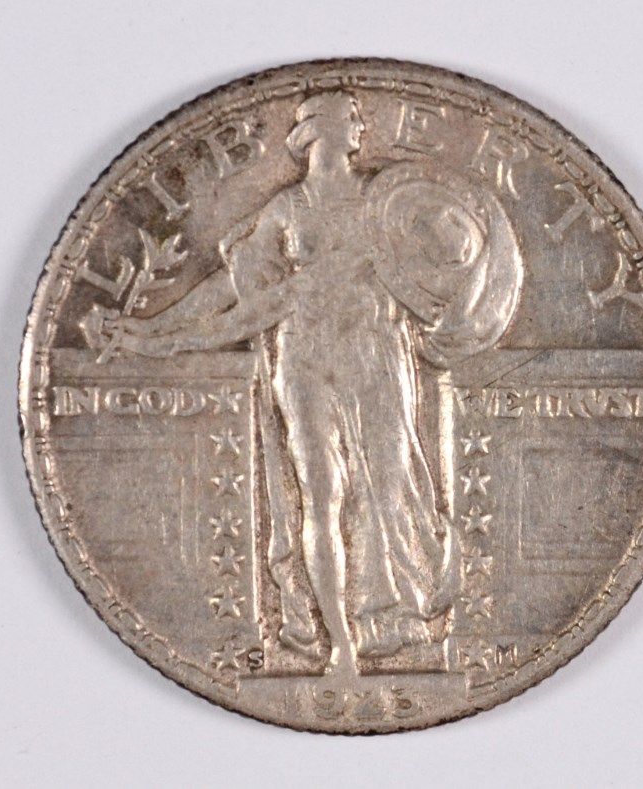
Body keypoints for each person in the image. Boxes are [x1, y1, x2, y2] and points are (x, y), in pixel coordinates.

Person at [101, 91, 521, 675]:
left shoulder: (387, 201)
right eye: (345, 119)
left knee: (392, 486)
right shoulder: (287, 208)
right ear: (312, 133)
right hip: (303, 360)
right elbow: (233, 288)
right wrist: (156, 330)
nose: (356, 128)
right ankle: (339, 640)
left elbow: (452, 267)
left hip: (376, 355)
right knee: (320, 496)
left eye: (355, 120)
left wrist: (163, 340)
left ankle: (393, 619)